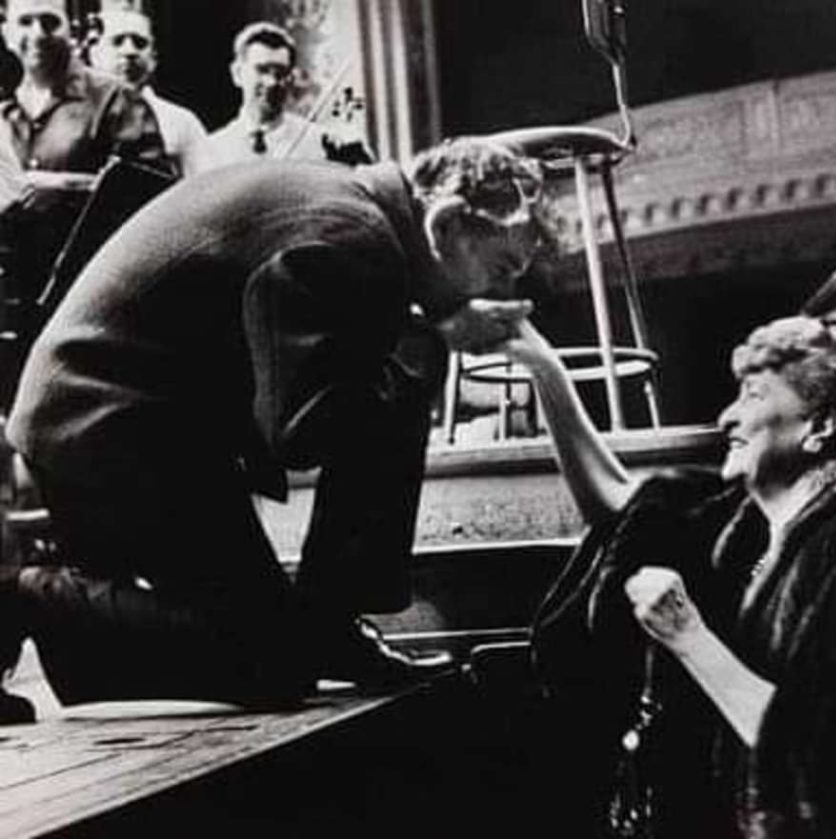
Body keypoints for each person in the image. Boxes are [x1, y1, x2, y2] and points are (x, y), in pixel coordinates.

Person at [0, 136, 547, 722]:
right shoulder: (352, 238)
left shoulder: (356, 211)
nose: (503, 294)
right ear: (445, 224)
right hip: (99, 423)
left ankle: (330, 628)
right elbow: (301, 430)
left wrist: (425, 333)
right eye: (500, 269)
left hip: (136, 416)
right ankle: (21, 601)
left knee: (397, 387)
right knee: (269, 661)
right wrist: (431, 338)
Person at [508, 316, 836, 837]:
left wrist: (688, 636)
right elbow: (615, 505)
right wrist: (545, 367)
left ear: (821, 427)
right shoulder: (740, 530)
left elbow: (834, 765)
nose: (727, 418)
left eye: (753, 396)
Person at [0, 0, 166, 393]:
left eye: (49, 22)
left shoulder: (115, 100)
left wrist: (67, 188)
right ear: (6, 30)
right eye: (25, 21)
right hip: (14, 305)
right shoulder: (4, 107)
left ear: (73, 30)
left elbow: (155, 194)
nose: (38, 33)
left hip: (92, 305)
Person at [203, 21, 372, 170]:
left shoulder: (321, 143)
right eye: (262, 70)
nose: (272, 82)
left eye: (281, 72)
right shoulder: (213, 150)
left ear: (291, 78)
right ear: (237, 73)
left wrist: (358, 162)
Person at [89, 8, 210, 178]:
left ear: (153, 58)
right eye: (117, 41)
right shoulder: (77, 118)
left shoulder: (181, 122)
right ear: (95, 55)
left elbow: (202, 188)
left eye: (140, 43)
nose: (129, 51)